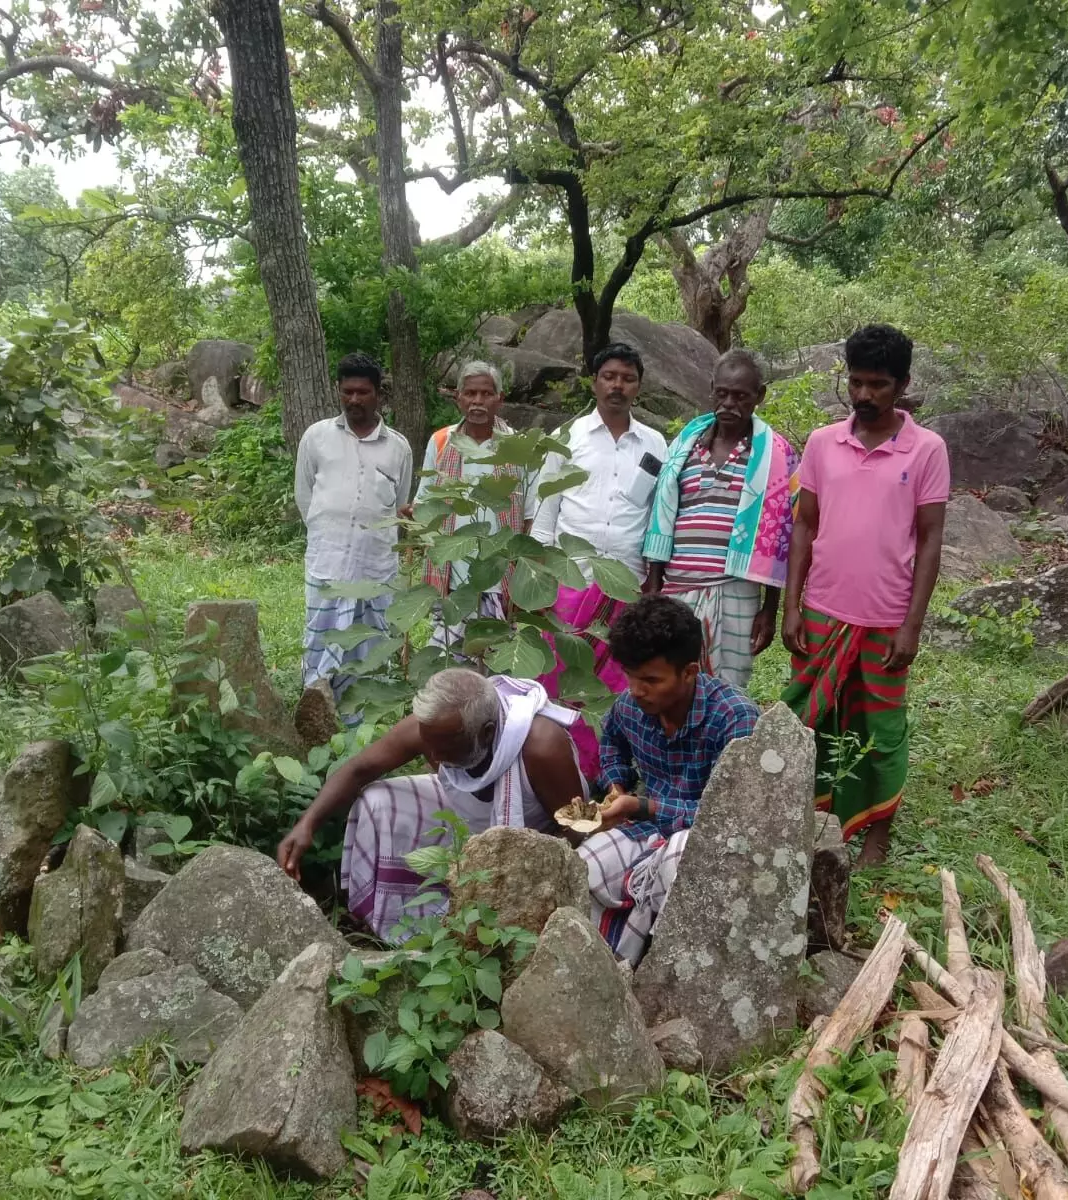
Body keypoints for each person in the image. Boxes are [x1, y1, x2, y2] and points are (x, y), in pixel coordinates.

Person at [781, 324, 948, 866]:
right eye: (856, 382)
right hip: (823, 612)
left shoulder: (927, 450)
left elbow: (929, 541)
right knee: (808, 718)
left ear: (902, 384)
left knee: (881, 729)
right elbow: (803, 528)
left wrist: (912, 625)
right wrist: (791, 607)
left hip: (885, 618)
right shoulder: (823, 443)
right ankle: (801, 816)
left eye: (878, 384)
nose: (864, 395)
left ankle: (877, 835)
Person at [276, 668, 587, 942]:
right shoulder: (436, 728)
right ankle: (396, 926)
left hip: (537, 844)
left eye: (446, 749)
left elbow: (577, 829)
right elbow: (361, 769)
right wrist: (307, 824)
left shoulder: (541, 746)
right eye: (430, 746)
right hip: (466, 823)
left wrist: (519, 872)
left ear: (488, 733)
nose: (434, 759)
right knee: (378, 801)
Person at [575, 594, 758, 966]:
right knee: (583, 866)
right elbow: (612, 742)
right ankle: (599, 966)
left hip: (711, 843)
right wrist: (616, 786)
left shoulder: (735, 720)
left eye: (650, 680)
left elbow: (737, 817)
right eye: (630, 676)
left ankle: (667, 970)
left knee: (678, 860)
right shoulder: (631, 706)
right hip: (647, 832)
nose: (637, 689)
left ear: (689, 672)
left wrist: (643, 806)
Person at [528, 343, 669, 775]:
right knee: (560, 675)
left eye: (627, 378)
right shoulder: (567, 439)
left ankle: (604, 769)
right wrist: (538, 575)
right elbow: (544, 510)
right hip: (570, 580)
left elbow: (657, 515)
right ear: (594, 381)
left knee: (616, 682)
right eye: (609, 376)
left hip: (625, 583)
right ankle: (550, 764)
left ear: (638, 386)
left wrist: (653, 579)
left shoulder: (655, 443)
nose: (617, 386)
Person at [640, 349, 799, 690]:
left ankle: (726, 745)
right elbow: (662, 512)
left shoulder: (776, 454)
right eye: (722, 393)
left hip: (736, 588)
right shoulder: (685, 444)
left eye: (741, 396)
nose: (729, 403)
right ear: (711, 389)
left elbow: (782, 535)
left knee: (729, 687)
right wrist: (654, 584)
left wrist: (770, 609)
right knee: (673, 684)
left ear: (760, 396)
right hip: (677, 586)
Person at [296, 352, 414, 700]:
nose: (354, 399)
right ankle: (317, 708)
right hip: (327, 563)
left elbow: (400, 504)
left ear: (379, 394)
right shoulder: (316, 437)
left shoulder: (398, 448)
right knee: (321, 638)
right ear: (339, 390)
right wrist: (328, 533)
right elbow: (305, 496)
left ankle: (361, 719)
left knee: (371, 644)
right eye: (347, 391)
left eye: (362, 392)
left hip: (375, 567)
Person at [414, 361, 525, 653]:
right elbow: (425, 504)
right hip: (453, 576)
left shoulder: (518, 446)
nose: (477, 401)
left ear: (500, 398)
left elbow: (529, 515)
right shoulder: (441, 442)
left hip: (500, 578)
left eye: (486, 393)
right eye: (470, 393)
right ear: (458, 397)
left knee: (496, 662)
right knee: (448, 660)